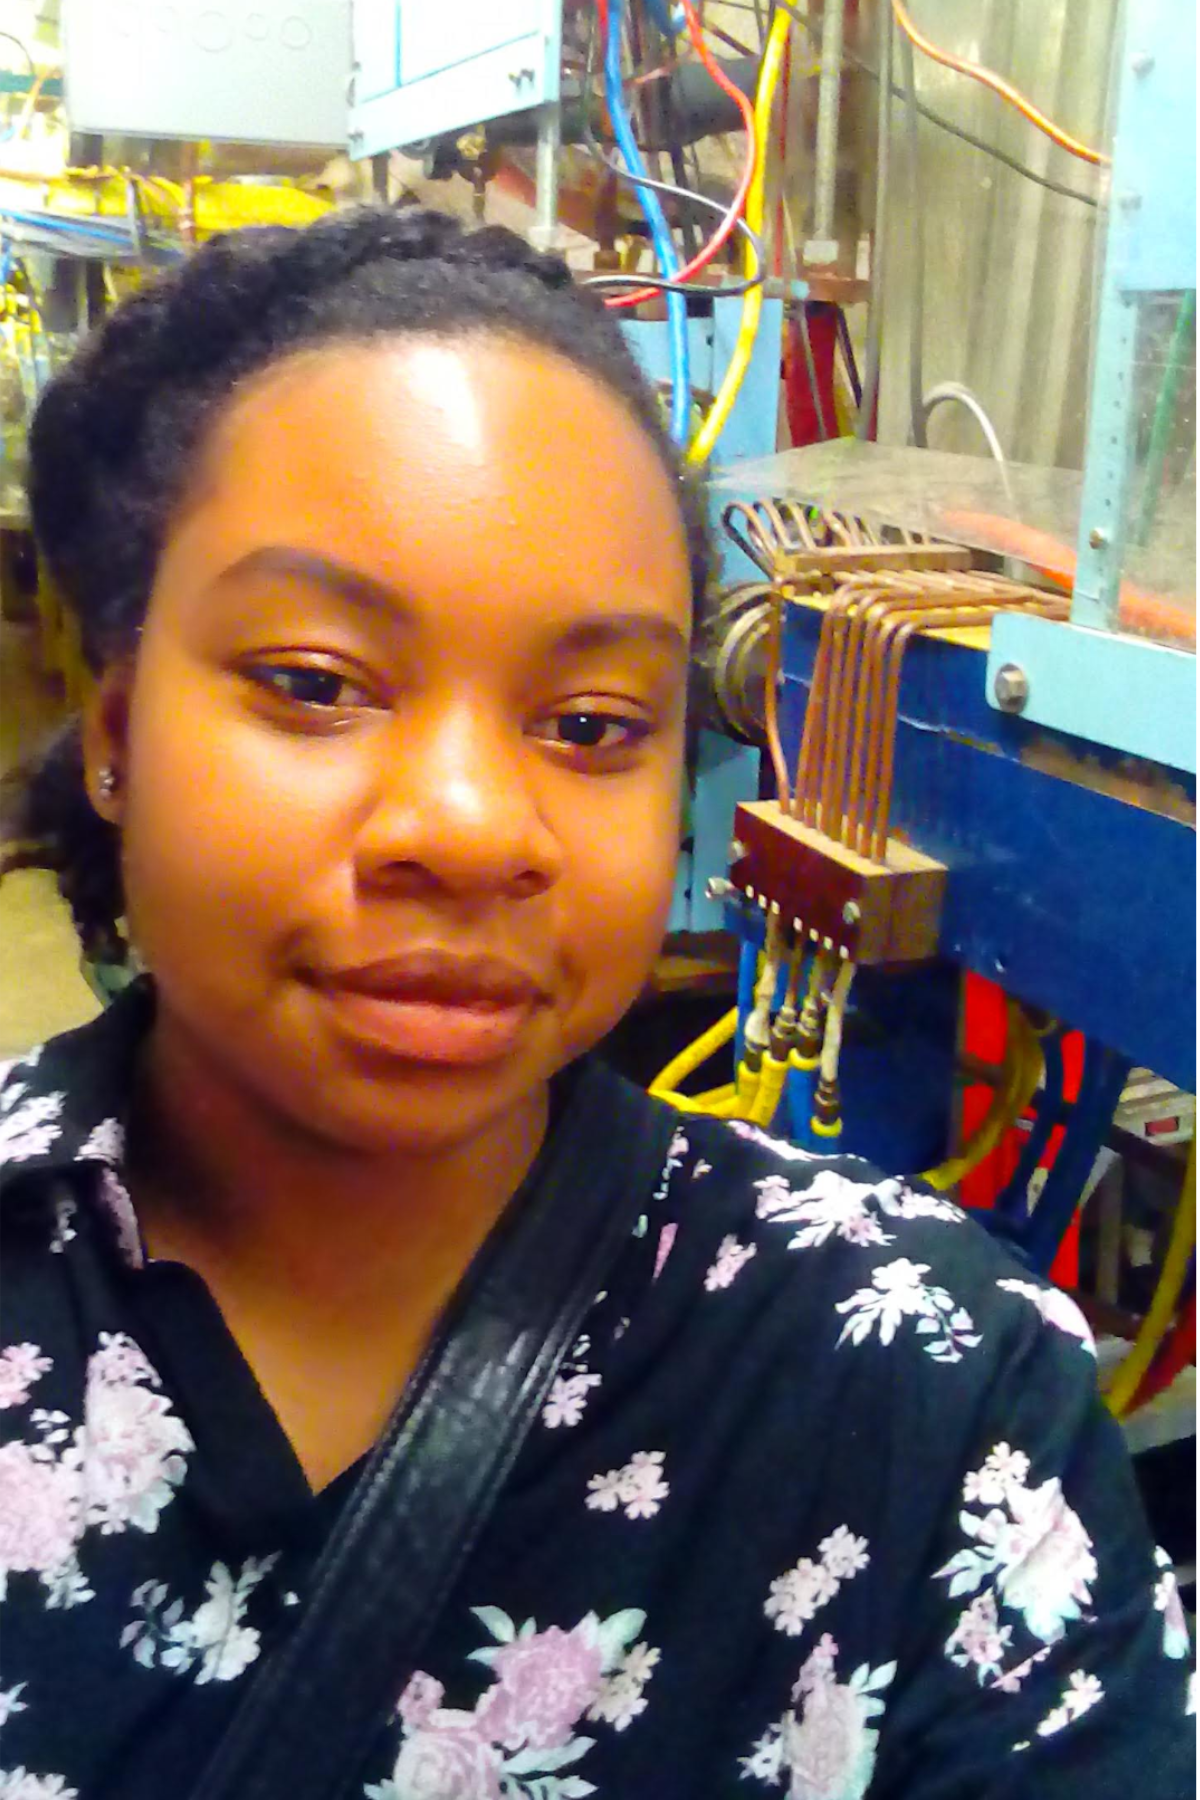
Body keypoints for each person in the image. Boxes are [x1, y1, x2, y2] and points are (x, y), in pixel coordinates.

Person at [0, 207, 1193, 1800]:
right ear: (121, 727)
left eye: (589, 721)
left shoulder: (931, 1401)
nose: (474, 830)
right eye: (315, 679)